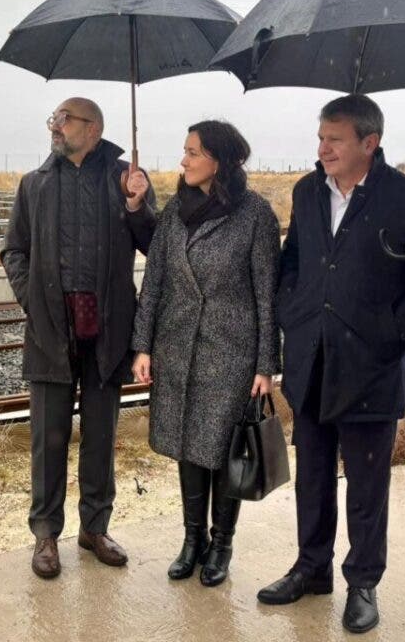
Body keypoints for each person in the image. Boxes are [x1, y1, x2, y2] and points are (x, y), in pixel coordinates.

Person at [258, 94, 405, 634]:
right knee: (312, 476)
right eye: (320, 138)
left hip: (371, 366)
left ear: (370, 142)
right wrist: (294, 310)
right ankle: (311, 569)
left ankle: (363, 583)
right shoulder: (307, 190)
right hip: (312, 361)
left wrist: (390, 335)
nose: (322, 149)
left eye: (333, 140)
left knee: (366, 485)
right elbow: (294, 261)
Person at [1, 97, 156, 579]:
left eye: (63, 120)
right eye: (54, 120)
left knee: (101, 434)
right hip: (52, 329)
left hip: (108, 329)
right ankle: (46, 534)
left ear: (92, 128)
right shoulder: (35, 184)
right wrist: (34, 301)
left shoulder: (125, 178)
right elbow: (14, 250)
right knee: (48, 436)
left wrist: (136, 204)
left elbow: (156, 245)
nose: (55, 127)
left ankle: (95, 527)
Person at [131, 120, 280, 588]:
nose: (184, 160)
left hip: (230, 354)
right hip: (177, 348)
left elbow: (266, 296)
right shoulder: (175, 210)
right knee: (187, 449)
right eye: (185, 151)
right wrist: (142, 345)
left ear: (219, 159)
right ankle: (191, 540)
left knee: (222, 450)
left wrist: (265, 364)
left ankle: (221, 545)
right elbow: (153, 282)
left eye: (193, 152)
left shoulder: (255, 214)